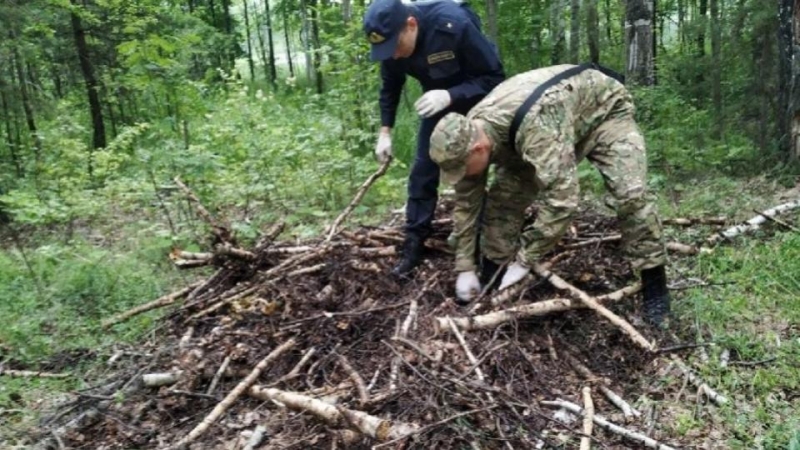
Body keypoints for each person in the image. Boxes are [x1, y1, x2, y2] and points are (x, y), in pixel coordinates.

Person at [428, 64, 671, 326]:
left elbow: (562, 201)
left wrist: (524, 260)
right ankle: (492, 277)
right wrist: (465, 265)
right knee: (502, 202)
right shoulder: (472, 129)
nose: (460, 174)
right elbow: (466, 202)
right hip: (540, 130)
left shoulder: (536, 126)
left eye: (460, 168)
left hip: (604, 114)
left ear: (478, 149)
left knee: (630, 195)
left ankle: (654, 285)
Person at [363, 0, 505, 277]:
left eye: (395, 46)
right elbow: (390, 87)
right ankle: (414, 244)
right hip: (435, 101)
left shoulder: (454, 25)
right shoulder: (393, 46)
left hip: (479, 99)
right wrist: (385, 132)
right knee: (422, 171)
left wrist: (451, 95)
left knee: (476, 170)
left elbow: (494, 77)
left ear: (411, 25)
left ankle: (488, 241)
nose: (393, 55)